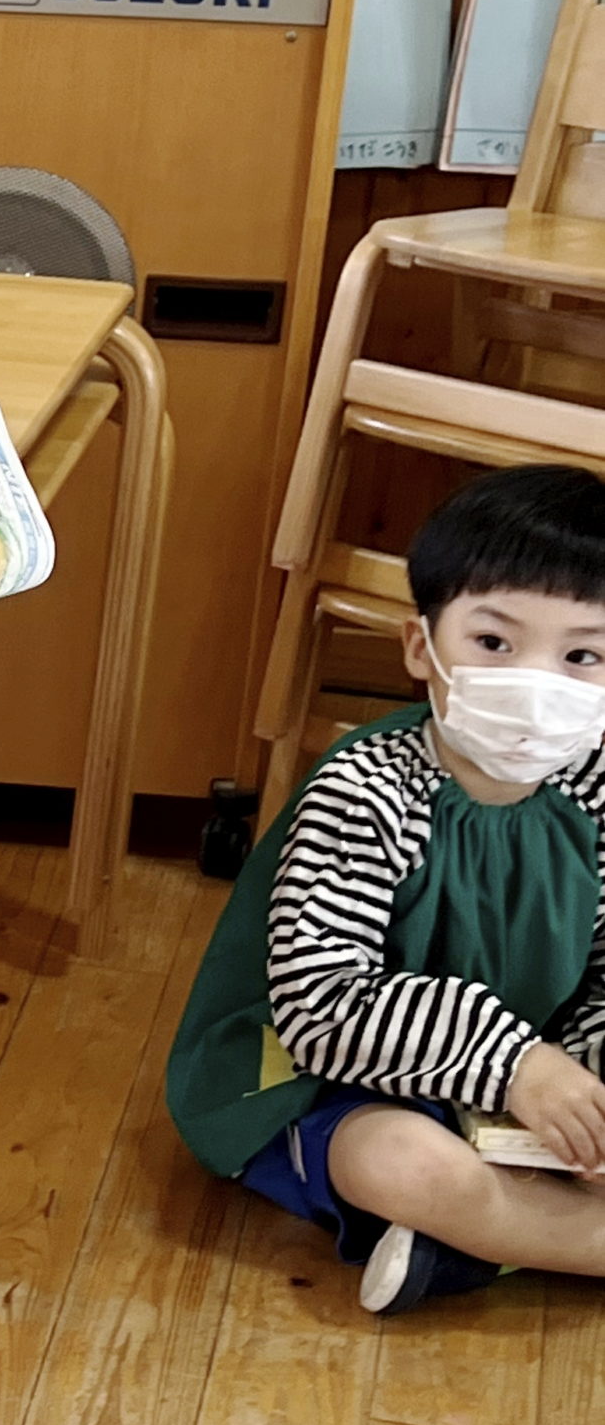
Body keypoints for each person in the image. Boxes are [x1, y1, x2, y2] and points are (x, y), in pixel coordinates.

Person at [167, 463, 605, 1315]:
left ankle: (472, 1249)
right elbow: (321, 1006)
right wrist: (515, 1063)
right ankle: (520, 1238)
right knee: (401, 1162)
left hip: (521, 1089)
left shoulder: (592, 792)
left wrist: (587, 1084)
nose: (536, 681)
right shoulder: (365, 789)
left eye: (581, 655)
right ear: (419, 647)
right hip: (323, 1079)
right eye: (493, 643)